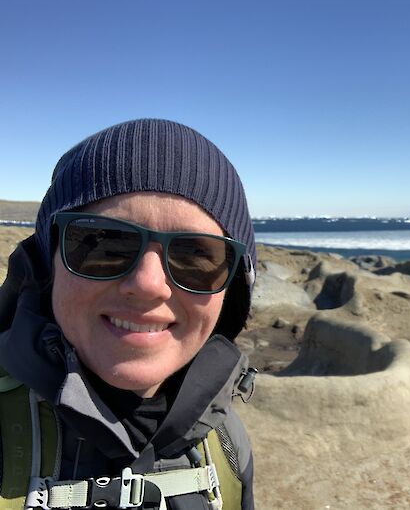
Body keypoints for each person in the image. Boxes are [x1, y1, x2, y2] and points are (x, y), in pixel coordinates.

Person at [0, 119, 257, 510]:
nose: (149, 283)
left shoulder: (222, 443)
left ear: (232, 290)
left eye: (195, 256)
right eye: (105, 243)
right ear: (47, 265)